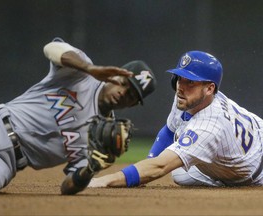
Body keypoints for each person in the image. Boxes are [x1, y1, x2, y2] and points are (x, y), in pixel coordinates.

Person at [0, 37, 156, 195]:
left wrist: (91, 168)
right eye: (124, 83)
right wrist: (90, 68)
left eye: (132, 95)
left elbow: (67, 187)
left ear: (133, 104)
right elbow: (51, 48)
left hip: (3, 162)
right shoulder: (81, 74)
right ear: (115, 74)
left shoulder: (103, 138)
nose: (124, 93)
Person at [88, 50, 263, 188]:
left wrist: (104, 180)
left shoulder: (208, 126)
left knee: (173, 167)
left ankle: (224, 178)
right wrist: (148, 163)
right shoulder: (187, 97)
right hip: (249, 140)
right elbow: (169, 131)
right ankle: (220, 173)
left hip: (257, 169)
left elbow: (159, 167)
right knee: (180, 174)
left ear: (210, 89)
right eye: (180, 78)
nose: (181, 87)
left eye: (191, 82)